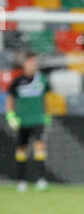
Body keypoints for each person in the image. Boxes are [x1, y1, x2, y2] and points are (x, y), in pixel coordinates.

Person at [5, 51, 50, 192]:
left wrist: (47, 116)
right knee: (21, 151)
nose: (33, 65)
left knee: (40, 147)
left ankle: (41, 180)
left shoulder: (42, 80)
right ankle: (22, 181)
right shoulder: (17, 82)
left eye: (35, 63)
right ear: (25, 64)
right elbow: (10, 100)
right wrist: (11, 116)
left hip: (38, 120)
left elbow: (46, 98)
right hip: (22, 121)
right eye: (31, 62)